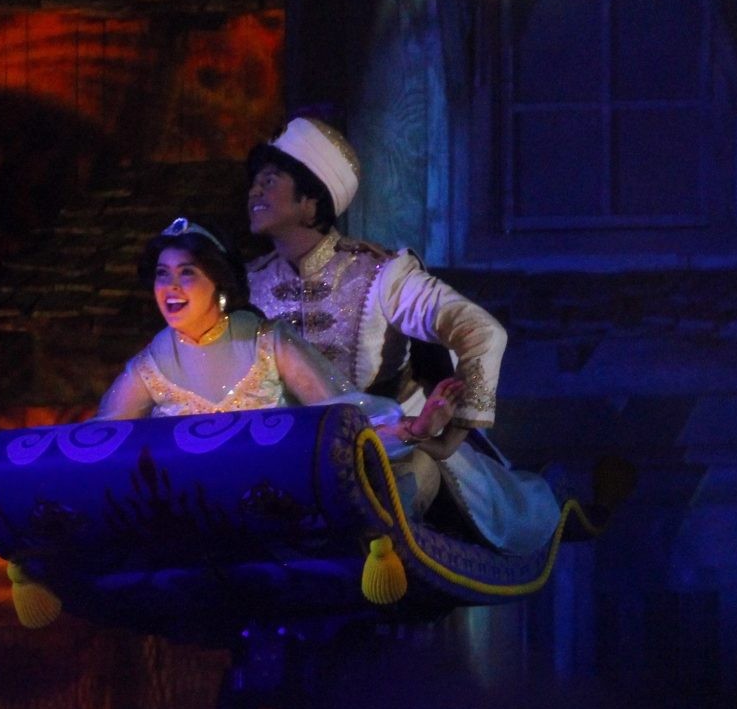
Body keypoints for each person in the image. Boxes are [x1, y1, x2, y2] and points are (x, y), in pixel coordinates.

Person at [244, 117, 558, 554]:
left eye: (270, 181)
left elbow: (481, 331)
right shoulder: (246, 285)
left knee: (405, 490)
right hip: (284, 459)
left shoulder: (381, 275)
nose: (254, 192)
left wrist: (451, 435)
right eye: (255, 182)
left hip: (392, 446)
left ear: (311, 202)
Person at [93, 219, 460, 504]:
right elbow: (96, 446)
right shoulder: (149, 366)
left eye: (186, 272)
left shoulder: (268, 342)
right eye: (162, 274)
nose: (170, 287)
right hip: (192, 520)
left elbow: (342, 421)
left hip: (279, 509)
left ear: (218, 281)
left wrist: (414, 429)